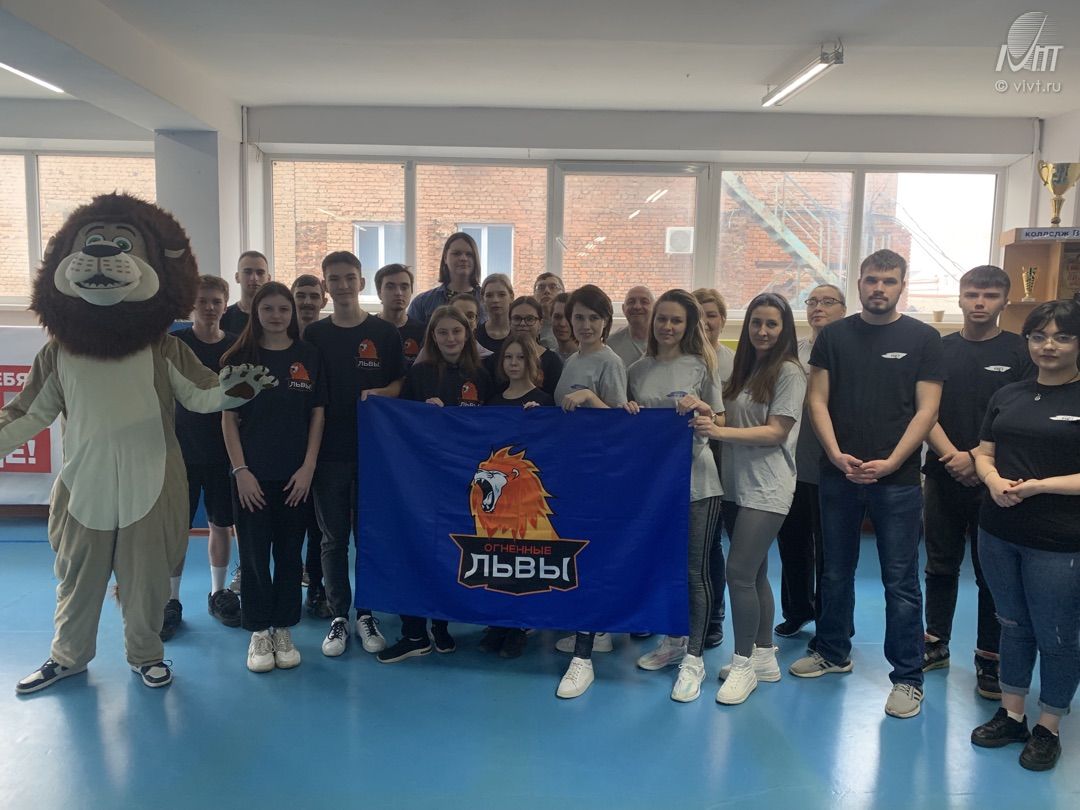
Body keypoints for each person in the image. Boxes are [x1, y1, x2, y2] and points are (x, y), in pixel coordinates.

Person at [790, 249, 944, 721]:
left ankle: (908, 677)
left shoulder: (923, 338)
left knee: (900, 580)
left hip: (897, 480)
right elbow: (817, 400)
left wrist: (894, 461)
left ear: (902, 286)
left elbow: (927, 410)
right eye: (872, 279)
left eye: (889, 281)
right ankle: (833, 651)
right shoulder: (834, 337)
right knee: (836, 570)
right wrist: (836, 453)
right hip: (840, 474)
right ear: (859, 283)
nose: (879, 288)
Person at [969, 299, 1080, 771]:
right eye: (1039, 336)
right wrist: (992, 480)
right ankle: (1012, 714)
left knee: (1057, 634)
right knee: (1012, 624)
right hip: (998, 531)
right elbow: (983, 451)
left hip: (1059, 542)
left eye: (1062, 337)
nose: (1048, 345)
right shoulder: (1008, 393)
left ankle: (1048, 726)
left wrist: (1039, 486)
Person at [923, 266, 1034, 698]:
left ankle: (989, 655)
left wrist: (975, 458)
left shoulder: (1021, 351)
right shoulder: (939, 348)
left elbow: (1022, 414)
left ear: (1005, 300)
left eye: (990, 295)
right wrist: (952, 456)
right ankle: (935, 642)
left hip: (997, 479)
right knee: (939, 564)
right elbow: (924, 410)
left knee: (992, 572)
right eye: (972, 294)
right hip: (943, 471)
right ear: (960, 298)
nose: (980, 302)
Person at [693, 293, 805, 705]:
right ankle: (763, 656)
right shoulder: (746, 369)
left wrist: (718, 432)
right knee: (755, 574)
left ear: (784, 328)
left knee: (738, 574)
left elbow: (776, 431)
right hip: (736, 484)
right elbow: (731, 416)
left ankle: (741, 666)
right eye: (756, 322)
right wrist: (707, 412)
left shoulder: (789, 371)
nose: (762, 330)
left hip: (768, 487)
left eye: (772, 323)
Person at [378, 305, 495, 663]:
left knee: (451, 553)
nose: (450, 338)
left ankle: (442, 626)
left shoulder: (483, 373)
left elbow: (496, 424)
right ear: (432, 336)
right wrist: (423, 415)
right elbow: (401, 424)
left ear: (467, 334)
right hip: (422, 479)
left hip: (464, 480)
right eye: (442, 332)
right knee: (416, 550)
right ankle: (414, 632)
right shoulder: (420, 373)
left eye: (456, 331)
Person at [304, 251, 405, 658]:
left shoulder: (384, 333)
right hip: (328, 452)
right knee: (332, 540)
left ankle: (366, 613)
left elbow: (401, 383)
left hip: (374, 454)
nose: (343, 285)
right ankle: (338, 616)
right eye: (334, 278)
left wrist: (381, 393)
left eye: (350, 277)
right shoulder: (314, 335)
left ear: (361, 283)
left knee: (368, 538)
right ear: (326, 285)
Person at [222, 282, 326, 673]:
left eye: (284, 309)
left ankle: (282, 627)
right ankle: (258, 631)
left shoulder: (308, 356)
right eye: (269, 308)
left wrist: (308, 467)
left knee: (289, 554)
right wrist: (241, 471)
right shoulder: (239, 357)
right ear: (256, 313)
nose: (277, 316)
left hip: (295, 478)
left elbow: (317, 414)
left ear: (292, 314)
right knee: (253, 555)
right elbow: (228, 419)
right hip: (251, 477)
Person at [626, 289, 724, 702]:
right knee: (665, 566)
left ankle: (695, 660)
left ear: (688, 326)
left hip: (698, 483)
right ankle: (674, 641)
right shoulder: (637, 369)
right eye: (662, 319)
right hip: (655, 486)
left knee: (694, 572)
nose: (667, 326)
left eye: (676, 320)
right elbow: (631, 429)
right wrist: (629, 412)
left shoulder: (702, 365)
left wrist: (703, 409)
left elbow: (719, 420)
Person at [552, 284, 629, 698]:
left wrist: (590, 398)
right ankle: (594, 632)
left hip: (598, 473)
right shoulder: (572, 359)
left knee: (592, 555)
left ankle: (586, 653)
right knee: (575, 556)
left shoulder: (610, 361)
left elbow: (620, 423)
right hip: (571, 470)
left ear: (605, 322)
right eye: (578, 317)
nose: (584, 325)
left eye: (593, 318)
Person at [163, 275, 241, 639]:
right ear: (191, 305)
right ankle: (171, 599)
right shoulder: (175, 344)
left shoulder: (237, 347)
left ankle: (218, 592)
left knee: (221, 524)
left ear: (225, 305)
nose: (209, 307)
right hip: (182, 451)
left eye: (216, 301)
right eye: (202, 301)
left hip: (223, 452)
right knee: (176, 528)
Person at [773, 284, 848, 639]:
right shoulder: (794, 352)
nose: (818, 307)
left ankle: (832, 620)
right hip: (793, 463)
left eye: (828, 302)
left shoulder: (849, 350)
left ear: (843, 309)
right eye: (813, 301)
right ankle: (798, 609)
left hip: (833, 463)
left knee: (831, 550)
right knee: (792, 542)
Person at [480, 335, 554, 659]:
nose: (513, 363)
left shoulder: (543, 400)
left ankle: (521, 625)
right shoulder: (494, 401)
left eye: (520, 357)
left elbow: (553, 447)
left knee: (524, 560)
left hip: (525, 501)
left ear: (531, 362)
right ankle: (499, 621)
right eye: (508, 357)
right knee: (499, 559)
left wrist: (541, 420)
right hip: (499, 501)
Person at [693, 287, 737, 648]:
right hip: (686, 463)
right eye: (699, 315)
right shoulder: (682, 358)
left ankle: (715, 616)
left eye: (712, 314)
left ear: (722, 319)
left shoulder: (732, 362)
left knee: (711, 546)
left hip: (724, 459)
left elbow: (727, 416)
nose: (705, 322)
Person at [290, 274, 331, 619]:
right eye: (300, 295)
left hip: (323, 447)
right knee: (288, 526)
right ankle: (287, 588)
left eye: (312, 296)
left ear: (323, 300)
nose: (306, 302)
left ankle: (316, 587)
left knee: (319, 527)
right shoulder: (279, 341)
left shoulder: (324, 341)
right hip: (282, 448)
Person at [407, 232, 484, 327]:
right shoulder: (422, 303)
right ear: (445, 258)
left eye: (469, 254)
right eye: (456, 253)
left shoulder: (487, 301)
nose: (463, 258)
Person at [497, 295, 563, 397]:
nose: (523, 323)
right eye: (517, 318)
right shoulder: (497, 359)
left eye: (530, 319)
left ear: (540, 324)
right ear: (509, 322)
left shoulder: (552, 361)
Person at [374, 263, 426, 368]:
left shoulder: (423, 332)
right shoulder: (367, 329)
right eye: (390, 287)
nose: (398, 292)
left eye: (404, 287)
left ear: (411, 291)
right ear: (379, 292)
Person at [220, 250, 270, 334]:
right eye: (248, 272)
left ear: (268, 279)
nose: (254, 278)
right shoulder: (223, 317)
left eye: (260, 273)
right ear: (237, 277)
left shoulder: (276, 317)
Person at [607, 286, 654, 368]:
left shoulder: (665, 342)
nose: (637, 306)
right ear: (623, 309)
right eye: (631, 302)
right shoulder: (610, 345)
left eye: (644, 302)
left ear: (655, 308)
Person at [476, 274, 514, 354]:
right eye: (489, 295)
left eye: (502, 295)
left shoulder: (520, 333)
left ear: (511, 297)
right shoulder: (475, 336)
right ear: (482, 299)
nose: (495, 300)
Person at [533, 272, 564, 351]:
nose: (547, 291)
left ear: (563, 293)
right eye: (540, 287)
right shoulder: (527, 325)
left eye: (553, 287)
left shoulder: (573, 324)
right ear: (534, 295)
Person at [551, 291, 578, 361]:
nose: (562, 324)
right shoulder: (545, 358)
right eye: (557, 317)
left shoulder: (590, 358)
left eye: (568, 317)